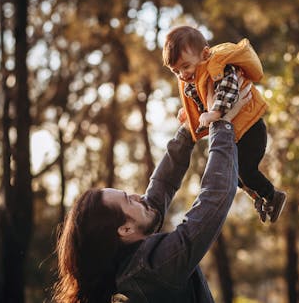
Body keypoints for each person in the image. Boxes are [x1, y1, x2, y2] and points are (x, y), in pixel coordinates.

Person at [53, 89, 251, 302]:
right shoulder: (153, 269)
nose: (138, 196)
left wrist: (188, 130)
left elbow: (161, 187)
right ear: (125, 229)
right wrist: (223, 125)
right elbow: (214, 198)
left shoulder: (129, 262)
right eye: (128, 200)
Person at [162, 25, 286, 223]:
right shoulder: (193, 81)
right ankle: (258, 198)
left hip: (252, 130)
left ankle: (272, 195)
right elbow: (203, 103)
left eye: (185, 67)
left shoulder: (218, 66)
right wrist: (190, 113)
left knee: (246, 170)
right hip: (238, 133)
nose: (182, 75)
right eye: (176, 71)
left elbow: (228, 91)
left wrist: (215, 113)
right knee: (230, 174)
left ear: (204, 54)